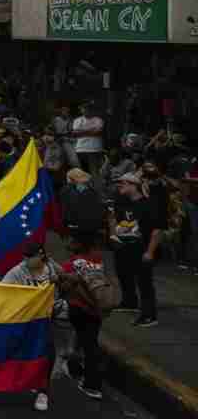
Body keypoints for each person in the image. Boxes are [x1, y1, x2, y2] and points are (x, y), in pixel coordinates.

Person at [2, 241, 67, 412]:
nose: (26, 260)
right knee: (26, 351)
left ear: (41, 255)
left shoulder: (51, 267)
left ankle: (43, 391)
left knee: (48, 351)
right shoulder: (17, 272)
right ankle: (29, 379)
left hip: (47, 320)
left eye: (30, 257)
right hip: (26, 320)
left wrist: (59, 280)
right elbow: (2, 292)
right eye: (25, 257)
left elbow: (67, 278)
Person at [109, 172, 163, 327]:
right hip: (126, 248)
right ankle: (130, 303)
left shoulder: (148, 204)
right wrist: (114, 236)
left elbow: (157, 230)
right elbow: (114, 219)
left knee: (144, 283)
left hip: (142, 249)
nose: (119, 186)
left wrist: (150, 252)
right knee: (125, 275)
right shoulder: (123, 202)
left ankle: (149, 316)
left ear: (134, 186)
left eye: (123, 183)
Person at [62, 233, 107, 400]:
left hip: (79, 309)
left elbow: (64, 286)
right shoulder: (98, 262)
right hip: (96, 311)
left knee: (87, 345)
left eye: (71, 241)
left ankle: (92, 385)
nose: (68, 243)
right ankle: (76, 368)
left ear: (77, 245)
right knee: (88, 341)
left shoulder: (71, 265)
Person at [73, 102, 106, 175]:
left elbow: (98, 132)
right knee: (83, 172)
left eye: (88, 108)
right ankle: (86, 186)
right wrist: (92, 130)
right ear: (81, 110)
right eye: (83, 108)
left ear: (91, 109)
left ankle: (95, 185)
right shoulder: (77, 120)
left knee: (95, 171)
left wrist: (82, 131)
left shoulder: (98, 120)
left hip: (95, 149)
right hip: (80, 149)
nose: (86, 110)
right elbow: (75, 133)